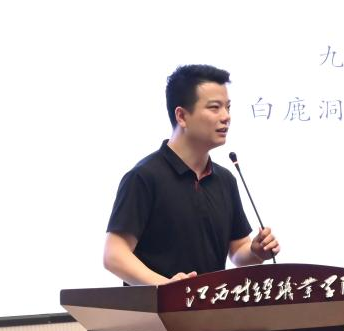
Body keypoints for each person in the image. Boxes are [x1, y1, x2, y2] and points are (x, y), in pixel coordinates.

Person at [103, 64, 280, 285]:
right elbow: (114, 255)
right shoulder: (144, 177)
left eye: (228, 107)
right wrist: (167, 287)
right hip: (156, 307)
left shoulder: (225, 179)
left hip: (211, 305)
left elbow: (237, 251)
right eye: (214, 108)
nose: (226, 117)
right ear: (181, 116)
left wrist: (255, 251)